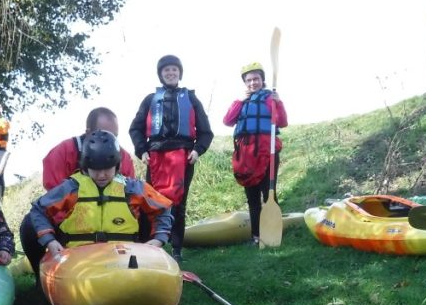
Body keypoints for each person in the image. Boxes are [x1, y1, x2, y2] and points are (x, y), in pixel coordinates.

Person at [19, 130, 174, 274]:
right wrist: (49, 241)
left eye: (107, 169)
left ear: (117, 165)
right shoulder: (71, 188)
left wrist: (159, 239)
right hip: (78, 257)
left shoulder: (132, 188)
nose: (101, 175)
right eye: (95, 170)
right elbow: (39, 210)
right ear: (86, 168)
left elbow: (163, 208)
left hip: (124, 254)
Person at [129, 54, 213, 262]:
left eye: (174, 70)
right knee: (151, 202)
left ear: (179, 73)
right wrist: (142, 151)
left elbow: (205, 131)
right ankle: (150, 246)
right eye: (166, 70)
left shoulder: (191, 99)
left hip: (183, 157)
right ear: (161, 75)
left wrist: (197, 150)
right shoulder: (150, 100)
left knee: (178, 204)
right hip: (156, 157)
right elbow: (136, 129)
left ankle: (176, 249)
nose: (170, 73)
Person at [222, 62, 288, 245]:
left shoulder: (270, 98)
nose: (253, 83)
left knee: (269, 195)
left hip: (269, 153)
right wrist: (240, 101)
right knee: (252, 199)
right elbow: (227, 120)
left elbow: (282, 122)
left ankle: (273, 234)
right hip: (246, 155)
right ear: (245, 83)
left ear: (262, 80)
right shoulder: (242, 102)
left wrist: (279, 101)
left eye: (256, 79)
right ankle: (256, 236)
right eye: (249, 80)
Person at [41, 107, 137, 190]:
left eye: (114, 136)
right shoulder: (63, 153)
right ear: (88, 132)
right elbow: (55, 197)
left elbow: (132, 195)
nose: (110, 139)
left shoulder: (124, 158)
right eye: (104, 133)